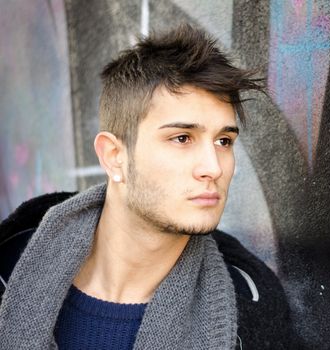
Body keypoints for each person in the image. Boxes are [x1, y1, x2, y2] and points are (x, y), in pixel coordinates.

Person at [0, 24, 299, 349]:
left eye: (224, 140)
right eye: (182, 138)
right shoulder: (10, 268)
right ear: (114, 156)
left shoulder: (251, 310)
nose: (214, 167)